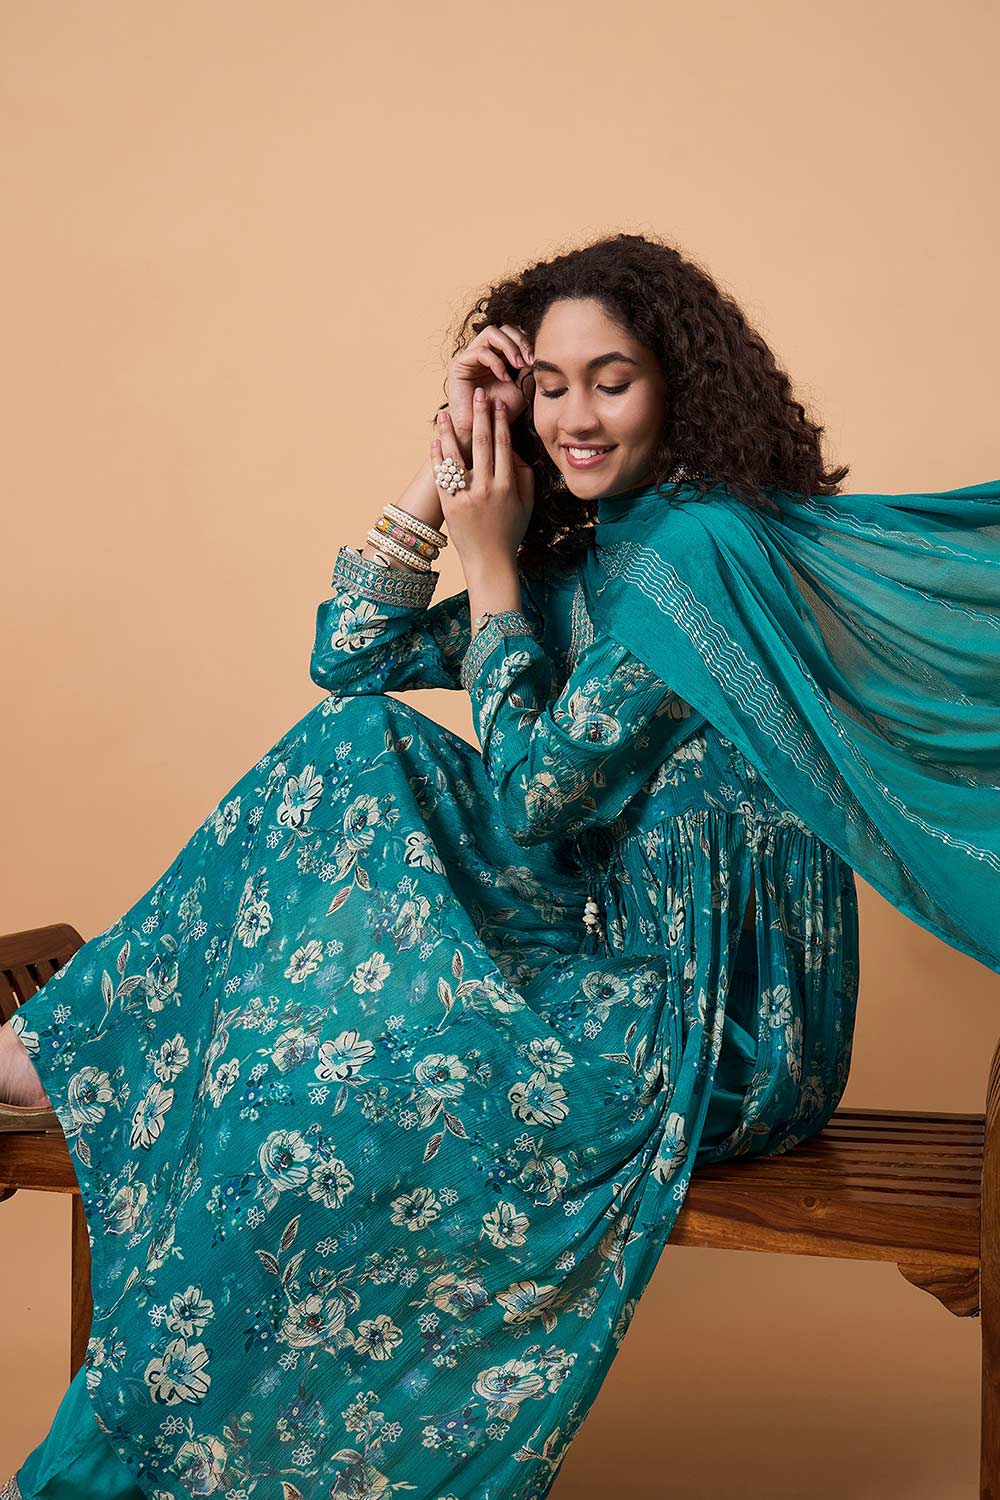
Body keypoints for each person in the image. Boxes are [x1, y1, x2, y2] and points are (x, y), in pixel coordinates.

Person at [1, 231, 995, 1500]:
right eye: (549, 386)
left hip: (714, 1033)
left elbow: (533, 804)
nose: (574, 418)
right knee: (353, 754)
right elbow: (351, 661)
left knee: (302, 1093)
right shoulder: (598, 550)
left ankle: (59, 1063)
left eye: (611, 381)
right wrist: (439, 479)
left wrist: (486, 569)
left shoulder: (699, 556)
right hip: (601, 970)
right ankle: (64, 1049)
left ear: (679, 386)